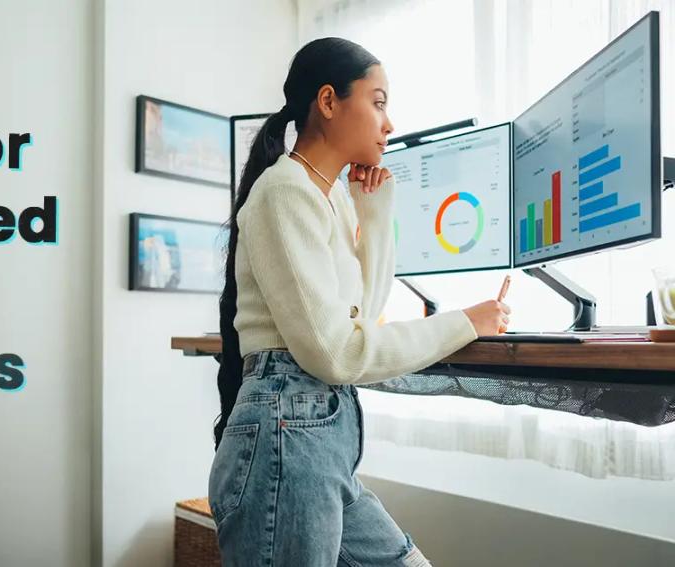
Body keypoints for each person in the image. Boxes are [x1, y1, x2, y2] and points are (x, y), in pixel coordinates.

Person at [208, 37, 511, 567]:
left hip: (317, 441)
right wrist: (464, 322)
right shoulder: (285, 192)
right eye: (378, 102)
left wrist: (373, 212)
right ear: (328, 102)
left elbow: (361, 319)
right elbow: (339, 353)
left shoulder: (329, 198)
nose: (389, 123)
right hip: (288, 437)